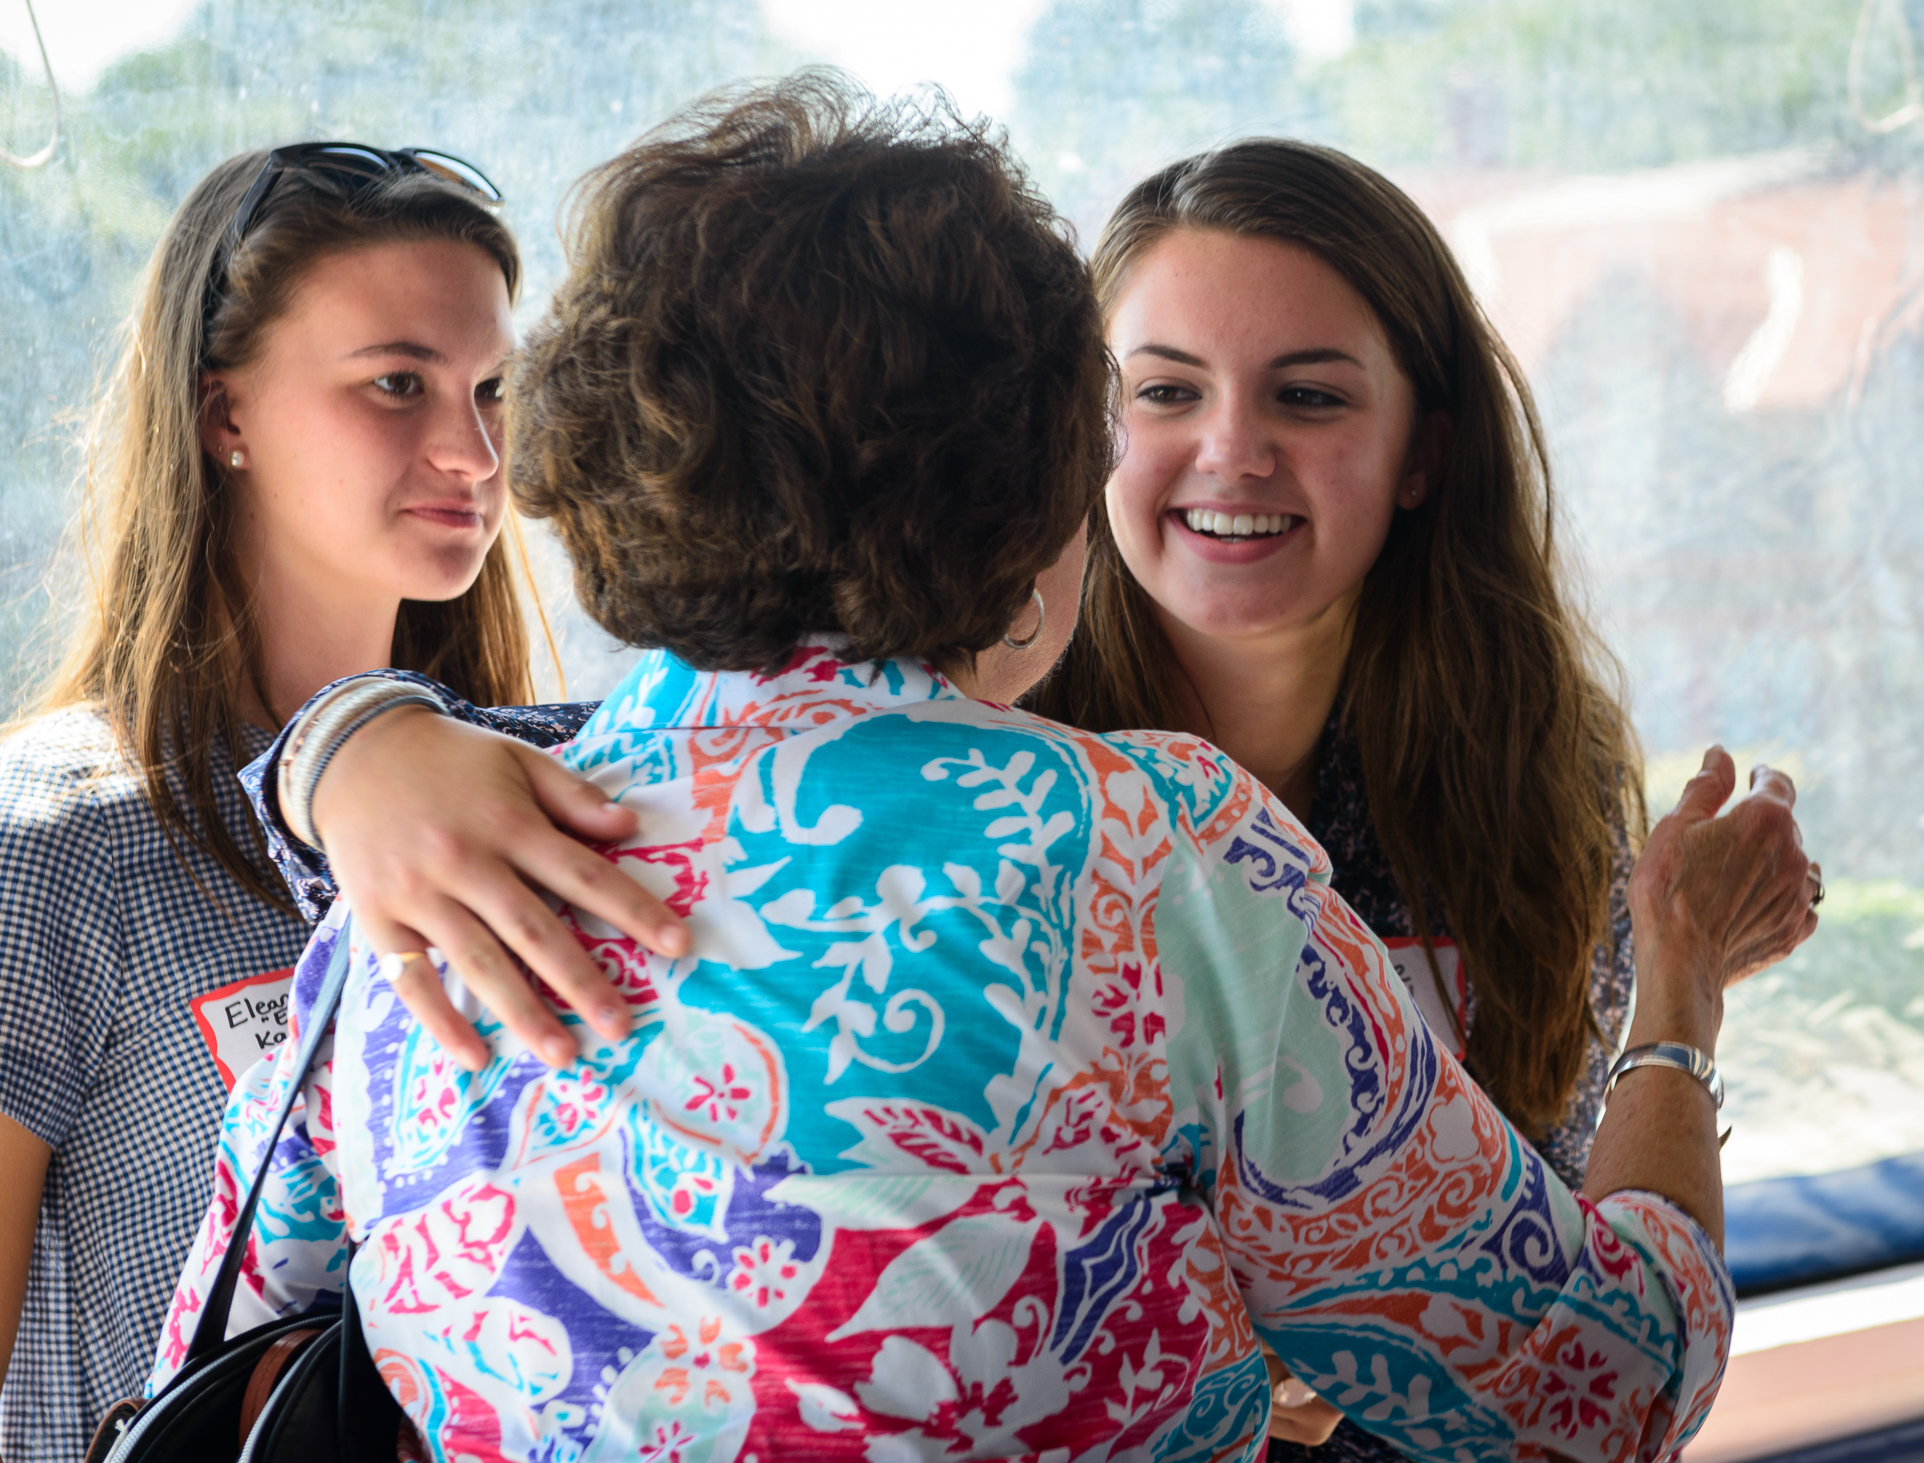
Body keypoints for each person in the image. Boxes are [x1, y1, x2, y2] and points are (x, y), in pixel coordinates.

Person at [152, 76, 1818, 1460]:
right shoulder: (1156, 860)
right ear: (1041, 486)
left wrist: (352, 743)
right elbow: (1602, 1401)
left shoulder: (405, 912)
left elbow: (238, 1342)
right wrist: (1681, 998)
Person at [1024, 142, 1645, 1459]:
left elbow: (1568, 1273)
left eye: (1307, 397)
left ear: (1424, 455)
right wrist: (451, 754)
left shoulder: (1543, 774)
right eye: (1164, 392)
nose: (1231, 449)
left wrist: (1687, 965)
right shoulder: (982, 761)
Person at [0, 141, 534, 1459]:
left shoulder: (540, 803)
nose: (470, 451)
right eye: (397, 384)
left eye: (493, 392)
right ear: (221, 414)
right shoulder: (58, 843)